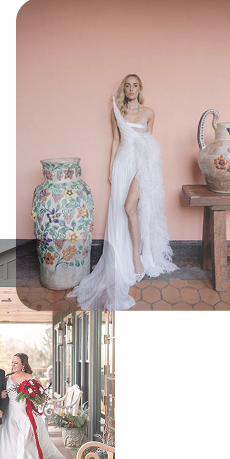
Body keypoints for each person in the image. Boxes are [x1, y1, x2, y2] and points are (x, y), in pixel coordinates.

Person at [69, 74, 176, 310]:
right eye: (127, 85)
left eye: (135, 85)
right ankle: (125, 257)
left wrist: (149, 168)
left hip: (141, 165)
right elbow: (116, 140)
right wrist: (110, 168)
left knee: (131, 208)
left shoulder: (149, 113)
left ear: (140, 89)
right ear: (124, 89)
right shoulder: (117, 111)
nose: (131, 89)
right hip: (122, 164)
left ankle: (137, 256)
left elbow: (148, 142)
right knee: (121, 211)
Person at [0, 353, 80, 459]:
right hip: (10, 416)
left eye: (16, 363)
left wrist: (30, 395)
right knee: (12, 446)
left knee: (25, 445)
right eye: (12, 362)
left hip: (27, 416)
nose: (13, 365)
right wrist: (1, 397)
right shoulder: (6, 378)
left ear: (23, 365)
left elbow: (42, 400)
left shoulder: (33, 380)